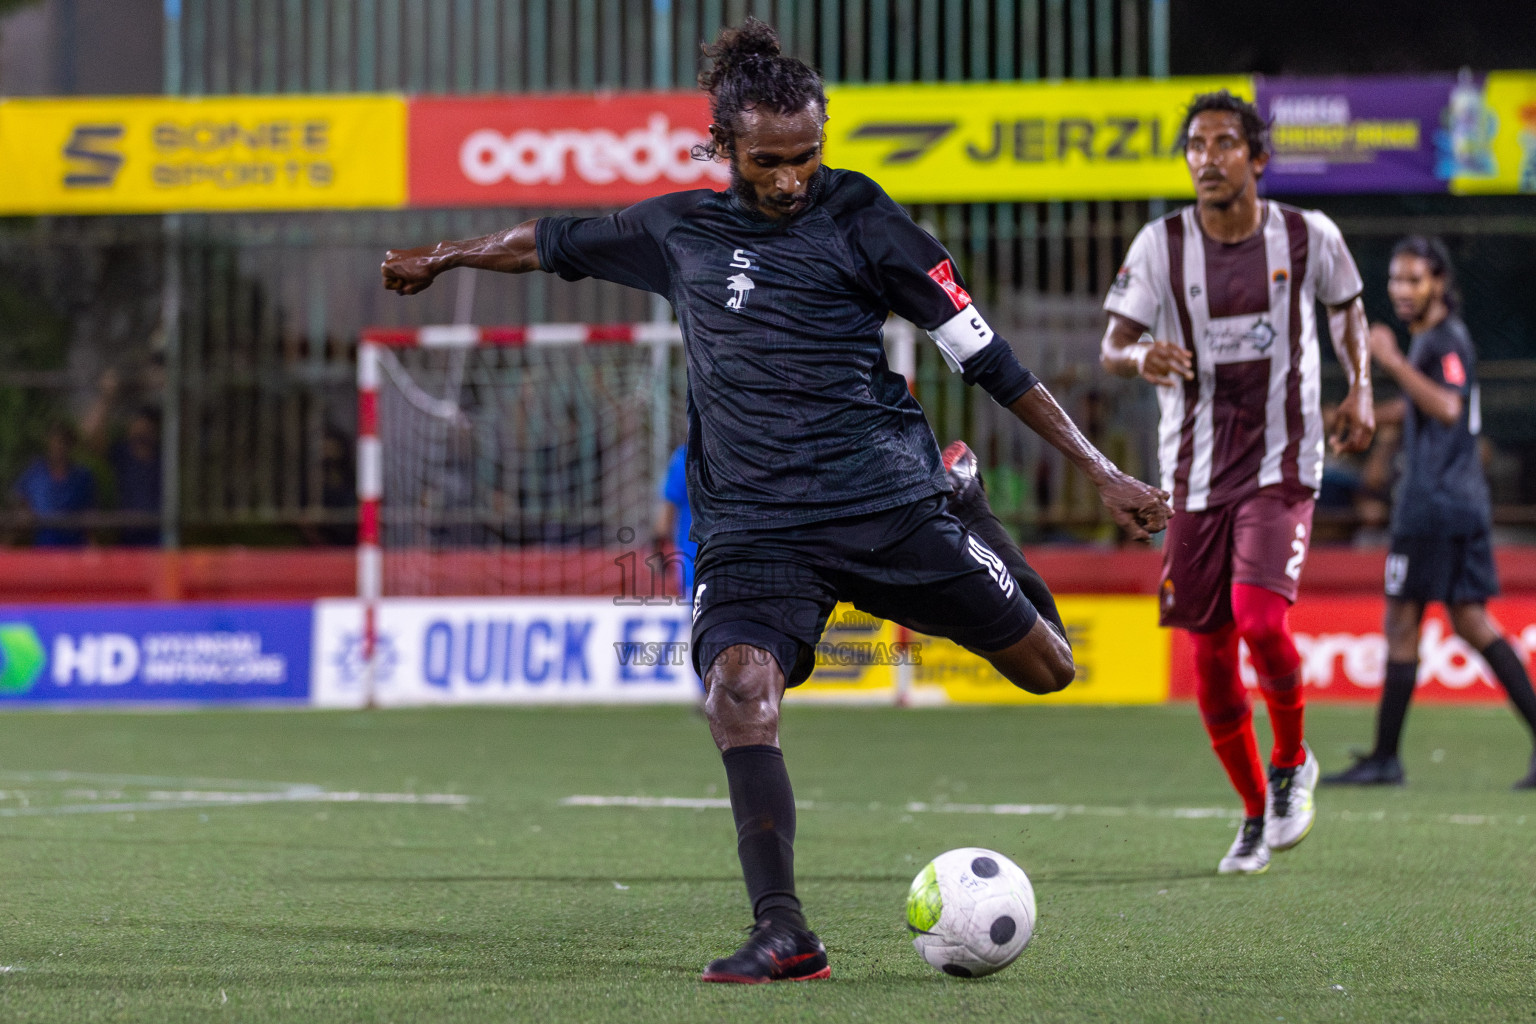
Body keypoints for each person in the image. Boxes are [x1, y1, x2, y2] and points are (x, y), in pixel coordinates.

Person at [383, 19, 1170, 983]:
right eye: (768, 161)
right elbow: (546, 242)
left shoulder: (869, 222)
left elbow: (987, 356)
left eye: (807, 157)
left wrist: (1100, 469)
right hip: (753, 528)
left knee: (1049, 668)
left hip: (885, 503)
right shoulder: (676, 230)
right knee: (738, 694)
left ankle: (965, 504)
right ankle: (785, 930)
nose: (791, 178)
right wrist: (447, 256)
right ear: (723, 148)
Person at [1100, 90, 1376, 875]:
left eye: (1224, 143)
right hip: (1190, 476)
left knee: (1260, 621)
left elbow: (1349, 310)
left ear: (1256, 159)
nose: (1206, 157)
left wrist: (1359, 386)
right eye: (1195, 145)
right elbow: (1114, 343)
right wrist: (1140, 356)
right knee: (1212, 657)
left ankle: (1292, 761)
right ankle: (1254, 812)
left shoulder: (1307, 235)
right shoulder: (1162, 245)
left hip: (1283, 462)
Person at [1322, 237, 1536, 790]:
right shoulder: (1439, 342)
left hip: (1433, 508)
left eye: (1414, 280)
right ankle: (1386, 756)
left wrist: (1390, 361)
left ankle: (1385, 758)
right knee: (1470, 621)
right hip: (1458, 503)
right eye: (1395, 280)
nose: (1403, 290)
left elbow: (1446, 406)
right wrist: (1372, 411)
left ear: (1439, 282)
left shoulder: (1443, 342)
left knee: (1402, 624)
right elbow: (1432, 403)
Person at [10, 421, 98, 547]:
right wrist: (24, 512)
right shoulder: (35, 472)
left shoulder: (83, 476)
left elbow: (90, 512)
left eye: (63, 442)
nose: (58, 447)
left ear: (70, 445)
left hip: (74, 546)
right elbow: (18, 498)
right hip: (43, 545)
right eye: (54, 442)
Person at [652, 443, 697, 603]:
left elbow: (667, 510)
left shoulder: (685, 456)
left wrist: (658, 550)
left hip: (693, 560)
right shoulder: (735, 454)